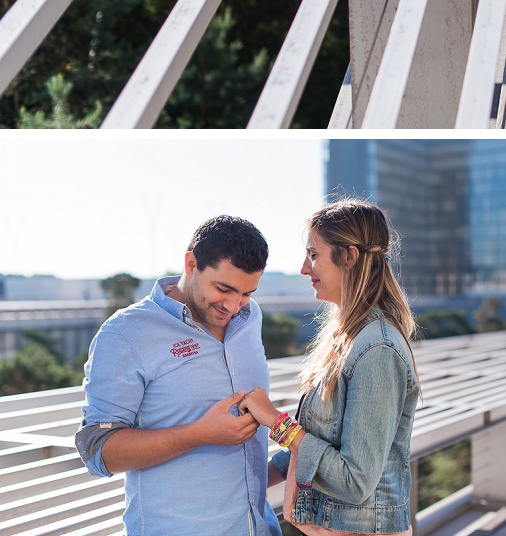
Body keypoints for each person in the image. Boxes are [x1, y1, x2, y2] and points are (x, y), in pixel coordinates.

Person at [76, 214, 282, 536]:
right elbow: (97, 451)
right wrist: (199, 433)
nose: (233, 305)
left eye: (246, 293)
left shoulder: (249, 317)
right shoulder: (126, 333)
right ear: (190, 264)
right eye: (223, 289)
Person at [239, 198, 418, 536]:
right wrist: (250, 481)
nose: (305, 268)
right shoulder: (349, 338)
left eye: (314, 255)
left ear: (348, 256)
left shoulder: (377, 349)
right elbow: (323, 440)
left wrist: (275, 422)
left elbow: (354, 480)